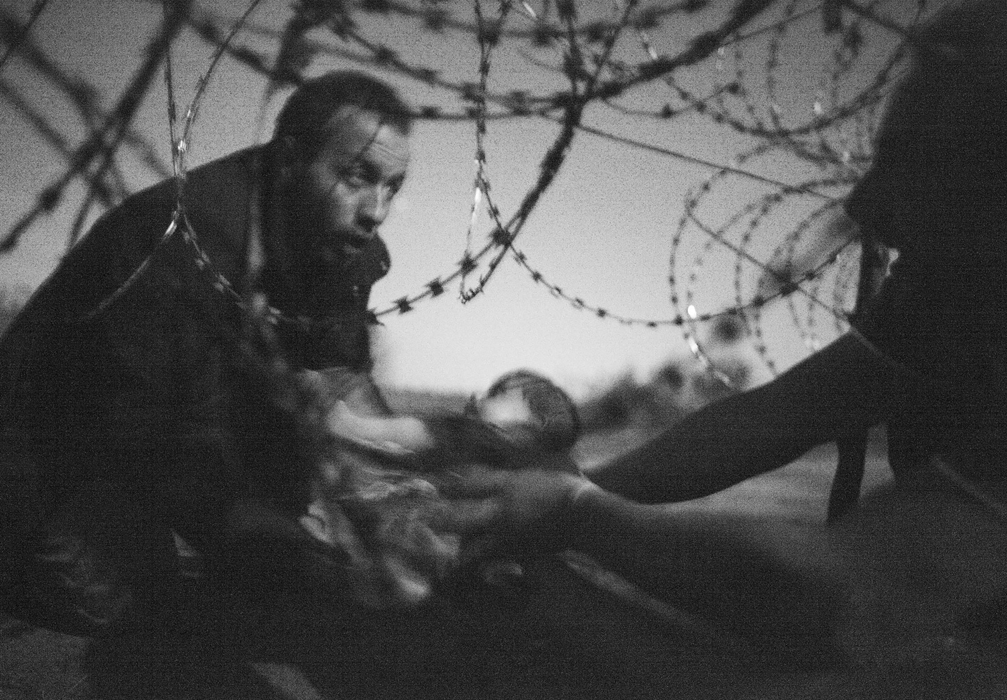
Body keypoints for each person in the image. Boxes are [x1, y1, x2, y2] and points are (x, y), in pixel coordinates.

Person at [426, 0, 1007, 649]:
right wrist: (537, 497)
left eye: (913, 162)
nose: (863, 203)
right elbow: (786, 413)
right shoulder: (957, 284)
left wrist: (574, 513)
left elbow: (850, 594)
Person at [0, 70, 413, 636]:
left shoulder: (342, 253)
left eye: (393, 187)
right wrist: (265, 525)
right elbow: (138, 426)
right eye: (357, 177)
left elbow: (335, 392)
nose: (376, 210)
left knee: (311, 584)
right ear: (290, 159)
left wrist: (387, 504)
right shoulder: (176, 236)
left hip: (174, 466)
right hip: (53, 473)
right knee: (157, 614)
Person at [295, 368, 581, 608]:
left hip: (422, 512)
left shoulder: (472, 432)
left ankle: (369, 554)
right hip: (451, 533)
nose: (485, 395)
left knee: (394, 500)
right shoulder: (527, 463)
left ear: (531, 422)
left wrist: (355, 427)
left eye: (501, 395)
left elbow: (415, 434)